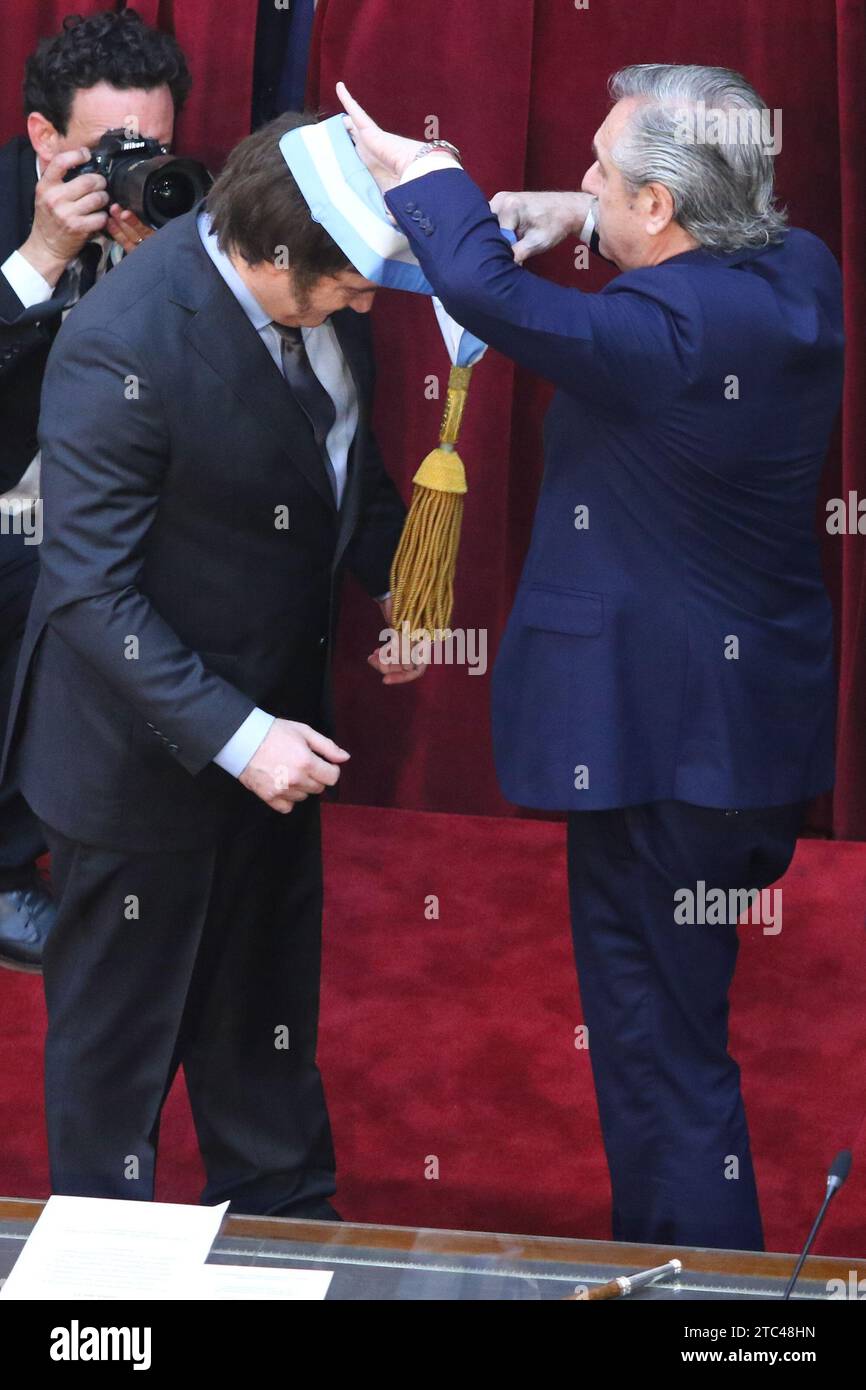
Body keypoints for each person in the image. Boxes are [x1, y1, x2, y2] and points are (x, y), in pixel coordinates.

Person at [337, 64, 844, 1250]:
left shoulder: (656, 335)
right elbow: (627, 256)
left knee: (659, 1058)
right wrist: (578, 218)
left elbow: (477, 286)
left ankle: (701, 1297)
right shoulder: (796, 269)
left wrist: (427, 174)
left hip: (654, 747)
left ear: (663, 208)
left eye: (600, 176)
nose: (579, 183)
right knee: (672, 1029)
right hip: (743, 730)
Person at [1, 108, 422, 1215]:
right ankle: (103, 1293)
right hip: (137, 761)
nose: (367, 304)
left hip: (283, 735)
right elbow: (90, 590)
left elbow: (341, 457)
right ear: (265, 253)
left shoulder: (328, 282)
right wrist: (239, 738)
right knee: (116, 1064)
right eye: (345, 289)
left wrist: (393, 584)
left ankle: (289, 1221)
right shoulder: (121, 344)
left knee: (264, 1029)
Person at [0, 8, 191, 971]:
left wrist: (160, 260)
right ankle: (3, 871)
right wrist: (39, 260)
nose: (131, 164)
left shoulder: (178, 204)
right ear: (42, 137)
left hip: (128, 495)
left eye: (150, 145)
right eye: (106, 147)